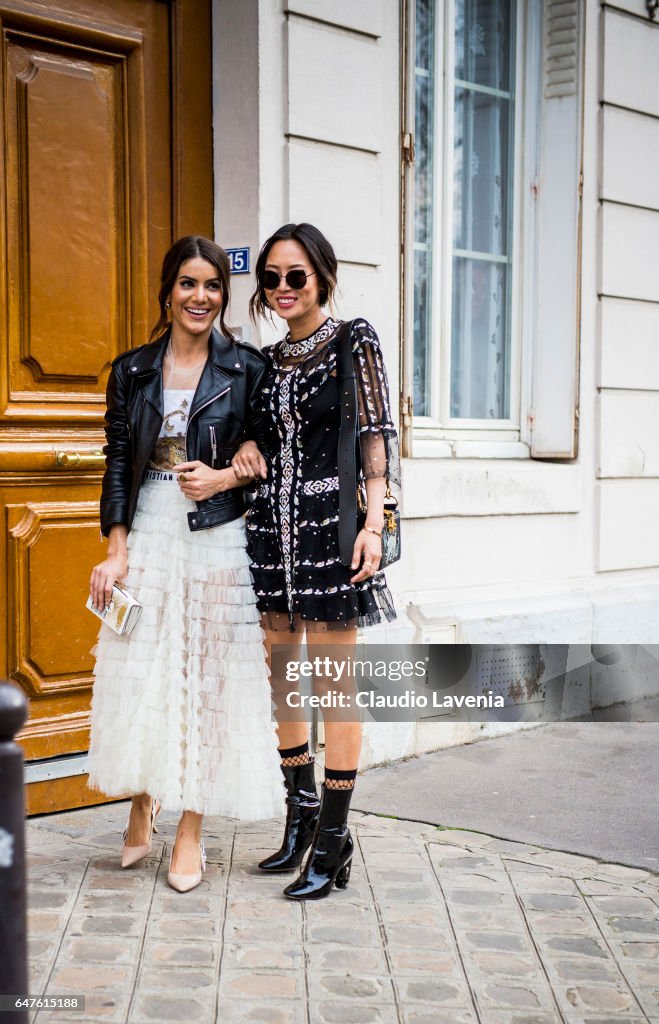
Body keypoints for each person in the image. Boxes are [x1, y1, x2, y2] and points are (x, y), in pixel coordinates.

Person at [87, 235, 283, 893]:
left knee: (206, 679)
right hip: (148, 526)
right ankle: (146, 795)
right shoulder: (132, 371)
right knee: (138, 668)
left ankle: (191, 829)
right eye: (187, 285)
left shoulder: (246, 369)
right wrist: (116, 550)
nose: (200, 297)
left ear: (222, 296)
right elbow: (119, 462)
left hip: (214, 534)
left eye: (211, 286)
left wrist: (225, 477)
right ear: (168, 292)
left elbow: (268, 462)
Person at [233, 222, 400, 900]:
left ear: (320, 277)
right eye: (269, 277)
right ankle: (299, 817)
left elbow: (376, 438)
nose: (280, 289)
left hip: (332, 538)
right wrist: (244, 449)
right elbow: (255, 442)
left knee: (332, 685)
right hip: (272, 539)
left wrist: (375, 525)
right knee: (283, 684)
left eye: (293, 276)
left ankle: (333, 837)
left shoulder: (354, 339)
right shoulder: (265, 362)